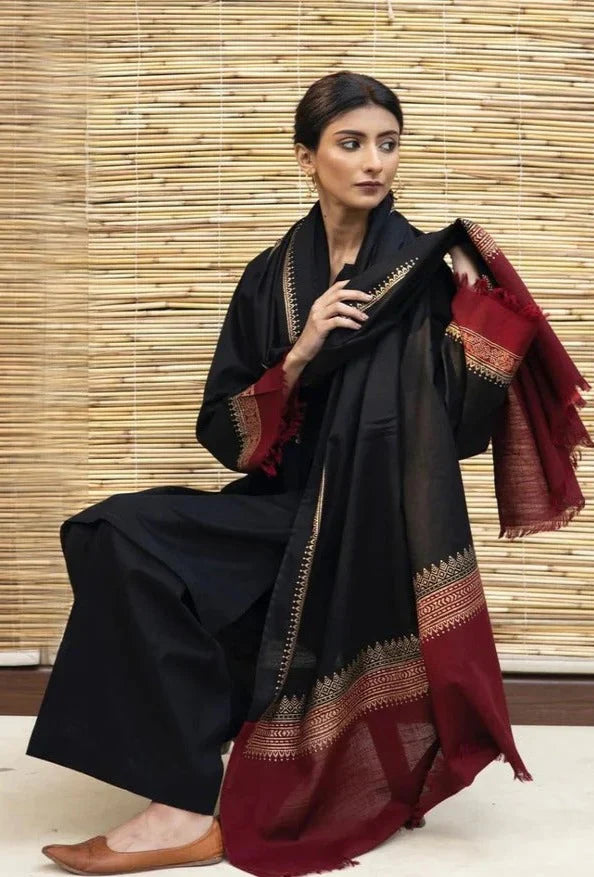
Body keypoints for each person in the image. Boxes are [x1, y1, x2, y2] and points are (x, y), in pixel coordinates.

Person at [26, 72, 591, 877]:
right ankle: (188, 765)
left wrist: (478, 309)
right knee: (109, 534)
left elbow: (460, 431)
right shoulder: (271, 276)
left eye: (387, 143)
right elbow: (223, 430)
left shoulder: (425, 272)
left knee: (131, 542)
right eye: (350, 143)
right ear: (306, 157)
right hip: (279, 505)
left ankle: (179, 809)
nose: (373, 162)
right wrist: (300, 352)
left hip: (366, 520)